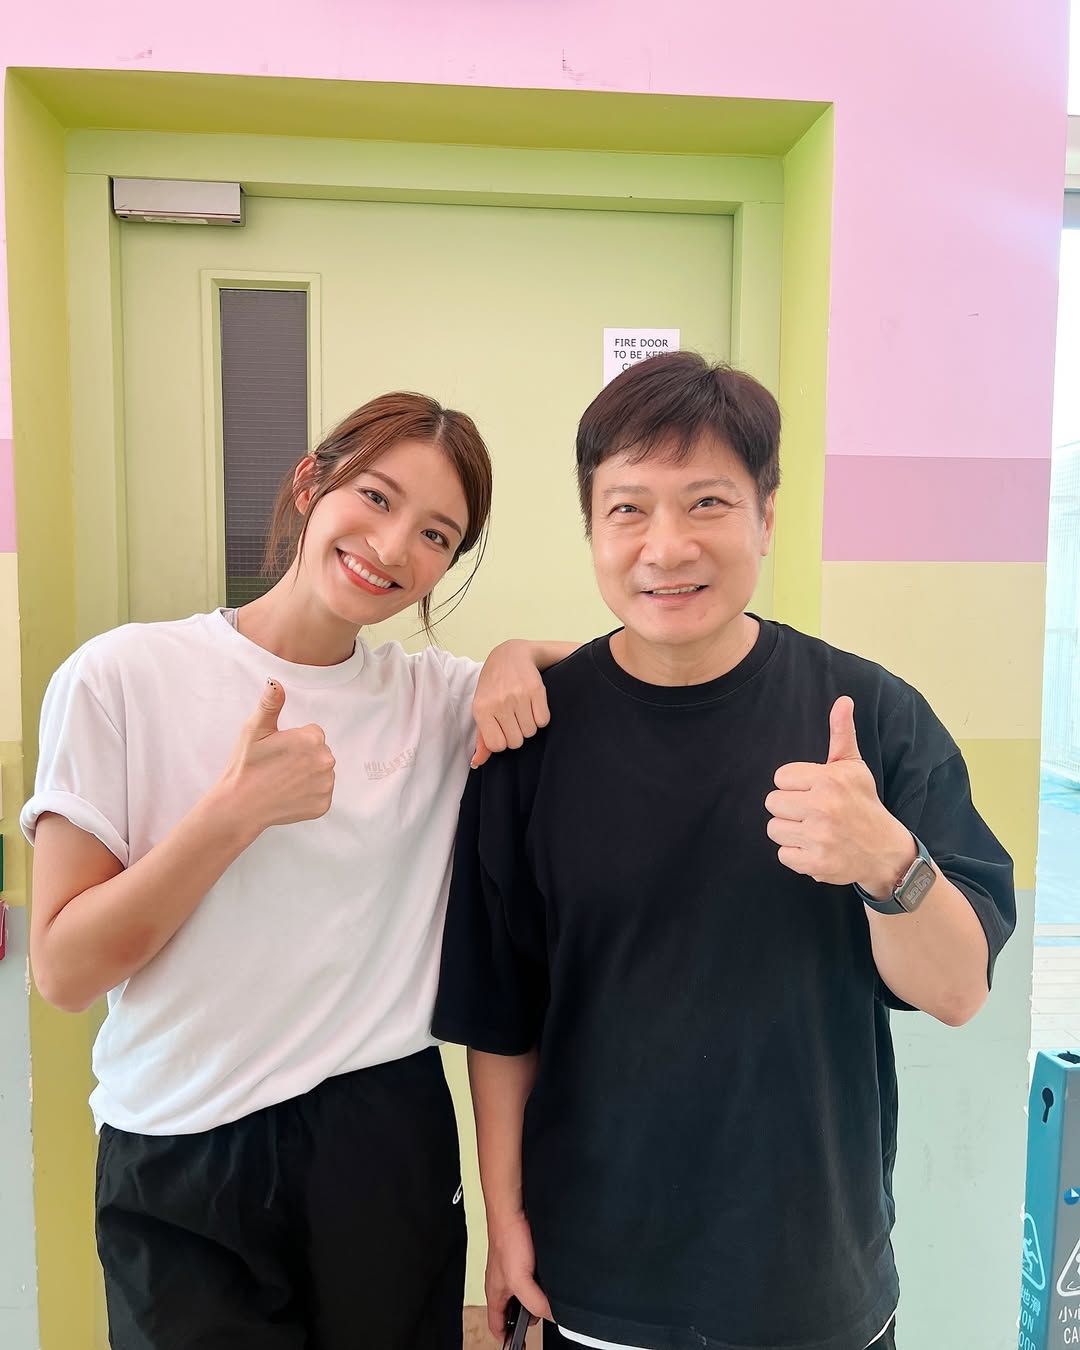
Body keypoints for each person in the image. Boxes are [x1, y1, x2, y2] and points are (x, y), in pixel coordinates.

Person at [433, 353, 1015, 1350]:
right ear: (591, 527)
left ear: (766, 515)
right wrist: (505, 1216)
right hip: (596, 1272)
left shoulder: (870, 715)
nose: (667, 546)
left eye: (707, 502)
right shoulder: (531, 740)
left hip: (812, 1280)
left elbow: (959, 990)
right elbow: (503, 1017)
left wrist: (888, 863)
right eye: (628, 509)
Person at [21, 391, 576, 1350]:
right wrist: (233, 814)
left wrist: (516, 653)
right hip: (181, 1144)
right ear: (310, 482)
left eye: (437, 535)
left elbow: (638, 668)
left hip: (380, 1132)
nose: (393, 547)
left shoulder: (433, 699)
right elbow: (66, 972)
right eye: (376, 496)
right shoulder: (119, 677)